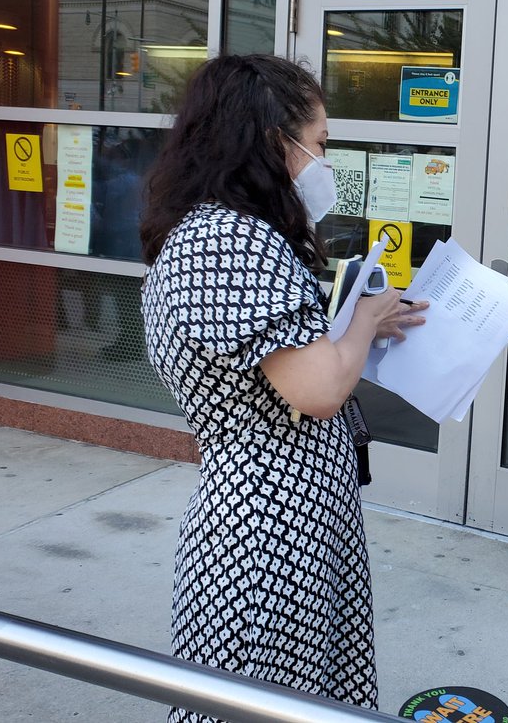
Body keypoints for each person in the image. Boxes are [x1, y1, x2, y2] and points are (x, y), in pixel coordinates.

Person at [139, 54, 427, 719]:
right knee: (266, 700)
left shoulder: (230, 233)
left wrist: (360, 330)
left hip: (285, 514)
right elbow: (320, 388)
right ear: (275, 141)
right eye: (321, 143)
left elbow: (286, 364)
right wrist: (363, 319)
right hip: (266, 531)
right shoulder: (227, 240)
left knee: (297, 694)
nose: (326, 161)